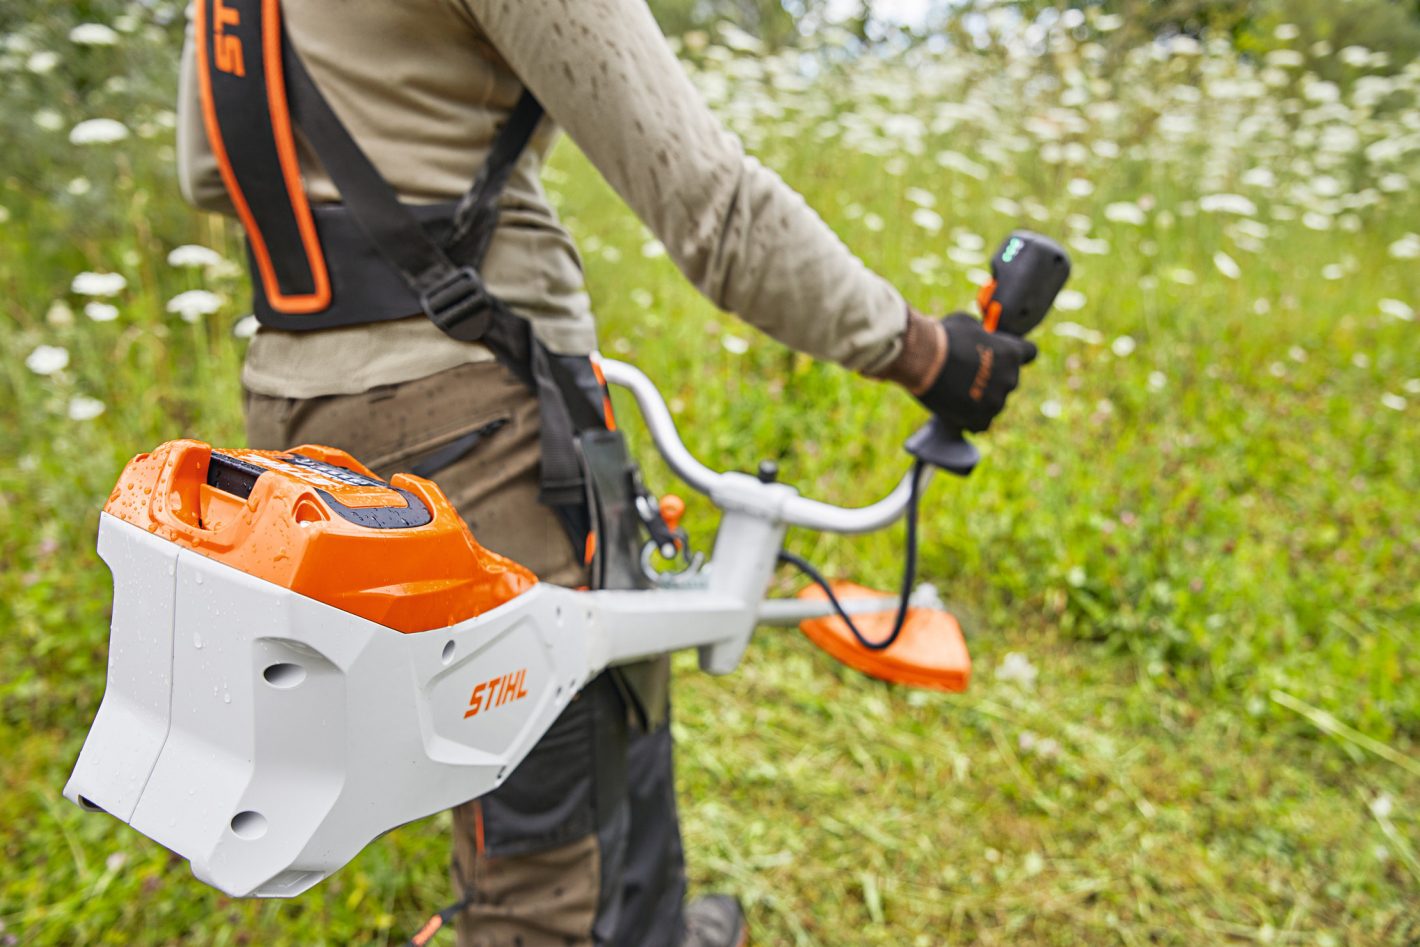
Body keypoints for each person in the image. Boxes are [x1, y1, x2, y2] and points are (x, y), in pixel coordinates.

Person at [176, 1, 1037, 944]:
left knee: (559, 698)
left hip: (296, 404)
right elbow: (714, 206)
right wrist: (927, 354)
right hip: (476, 405)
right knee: (548, 847)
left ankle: (653, 927)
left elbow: (210, 167)